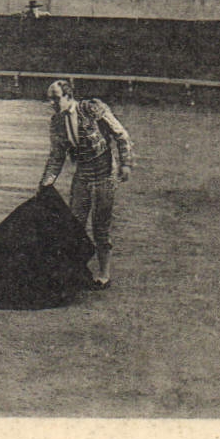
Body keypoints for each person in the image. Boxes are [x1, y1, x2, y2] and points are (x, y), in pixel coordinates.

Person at [39, 79, 134, 289]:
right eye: (50, 99)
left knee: (100, 226)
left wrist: (126, 163)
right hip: (82, 174)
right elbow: (57, 155)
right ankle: (76, 272)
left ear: (68, 96)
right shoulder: (56, 122)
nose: (53, 103)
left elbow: (121, 134)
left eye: (56, 98)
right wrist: (47, 182)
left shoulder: (92, 108)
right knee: (75, 225)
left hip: (104, 173)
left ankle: (103, 274)